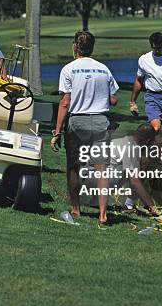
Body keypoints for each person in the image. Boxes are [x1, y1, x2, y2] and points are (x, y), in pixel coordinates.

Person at [51, 30, 119, 226]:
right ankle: (103, 214)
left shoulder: (68, 69)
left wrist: (57, 132)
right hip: (100, 122)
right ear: (92, 47)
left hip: (77, 122)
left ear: (75, 46)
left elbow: (65, 102)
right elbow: (114, 99)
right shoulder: (104, 69)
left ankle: (76, 208)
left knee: (73, 167)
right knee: (101, 169)